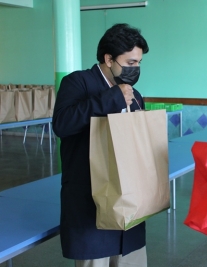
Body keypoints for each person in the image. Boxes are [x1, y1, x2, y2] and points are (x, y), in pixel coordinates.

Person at [52, 23, 149, 267]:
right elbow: (62, 125)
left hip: (129, 202)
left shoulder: (135, 96)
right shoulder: (78, 83)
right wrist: (113, 97)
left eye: (138, 63)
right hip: (90, 201)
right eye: (130, 63)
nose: (135, 69)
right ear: (108, 59)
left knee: (131, 260)